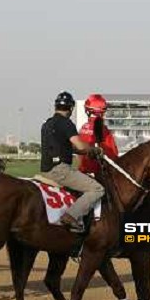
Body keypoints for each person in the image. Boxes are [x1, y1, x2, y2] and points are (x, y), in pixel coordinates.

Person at [40, 91, 105, 232]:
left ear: (55, 106)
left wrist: (86, 151)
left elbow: (71, 148)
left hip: (45, 171)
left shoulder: (47, 124)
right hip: (60, 171)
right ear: (71, 108)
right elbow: (80, 145)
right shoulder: (66, 123)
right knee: (97, 189)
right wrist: (95, 150)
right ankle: (71, 216)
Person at [78, 93, 118, 176]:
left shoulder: (83, 128)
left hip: (82, 172)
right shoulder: (103, 129)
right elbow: (113, 153)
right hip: (98, 173)